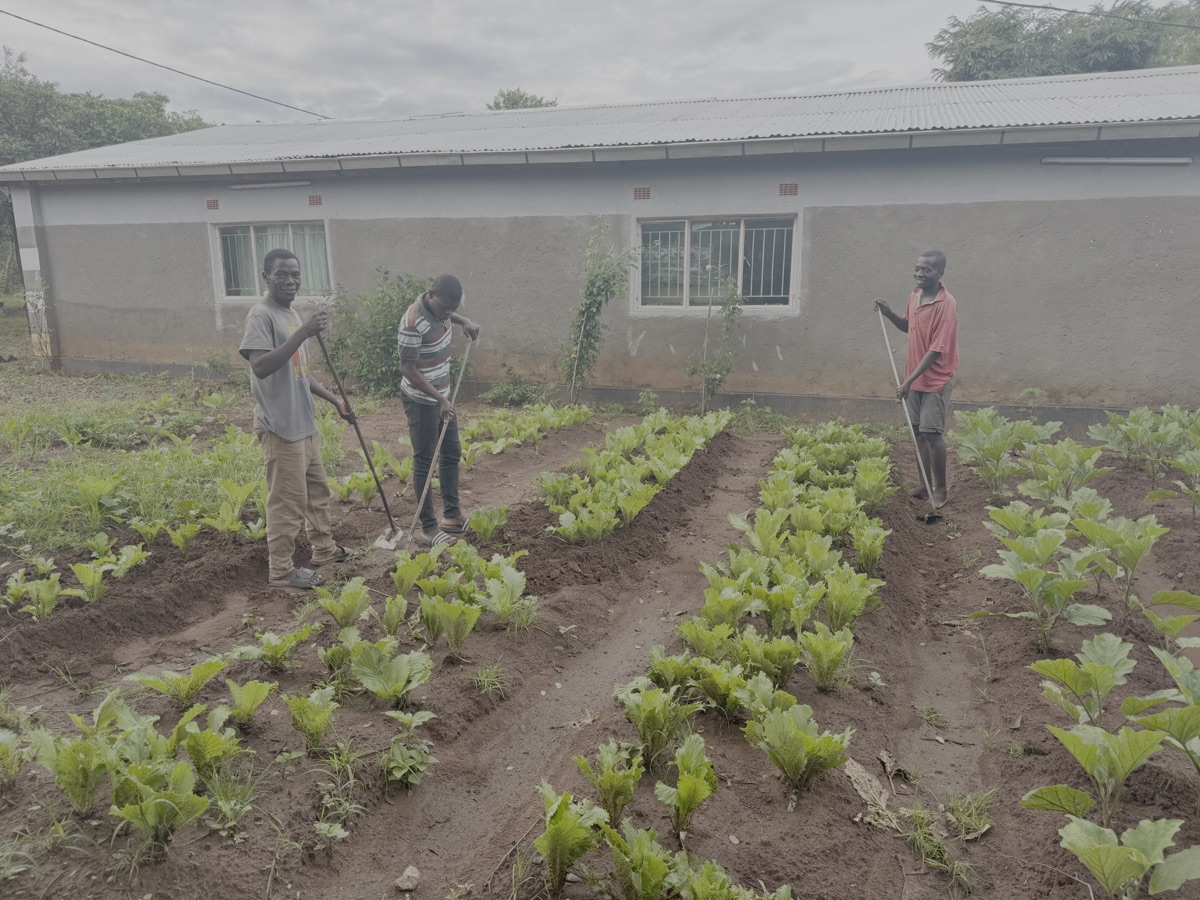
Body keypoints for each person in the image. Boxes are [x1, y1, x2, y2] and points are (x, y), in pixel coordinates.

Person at [239, 248, 355, 589]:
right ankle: (281, 571)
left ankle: (324, 551)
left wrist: (334, 399)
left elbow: (300, 372)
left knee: (317, 494)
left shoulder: (289, 313)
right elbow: (260, 367)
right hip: (280, 426)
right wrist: (302, 333)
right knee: (286, 502)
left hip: (304, 423)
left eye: (295, 275)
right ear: (266, 277)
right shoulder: (261, 315)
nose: (290, 281)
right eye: (282, 275)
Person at [398, 275, 481, 546]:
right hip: (422, 400)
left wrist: (464, 321)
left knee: (451, 453)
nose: (448, 313)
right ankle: (428, 528)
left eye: (453, 309)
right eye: (445, 308)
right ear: (431, 294)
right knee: (425, 460)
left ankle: (452, 515)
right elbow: (407, 369)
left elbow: (449, 314)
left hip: (443, 396)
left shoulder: (444, 310)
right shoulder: (413, 323)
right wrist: (439, 399)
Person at [873, 250, 959, 509]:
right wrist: (888, 314)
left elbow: (936, 350)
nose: (920, 274)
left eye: (927, 270)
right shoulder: (915, 295)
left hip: (935, 380)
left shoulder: (946, 304)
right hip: (914, 378)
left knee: (932, 434)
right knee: (918, 434)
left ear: (940, 273)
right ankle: (924, 485)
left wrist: (907, 381)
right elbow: (907, 326)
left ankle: (940, 490)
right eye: (918, 268)